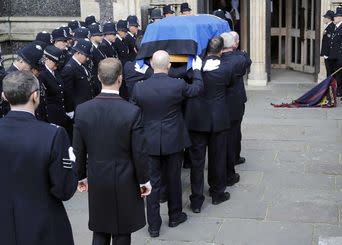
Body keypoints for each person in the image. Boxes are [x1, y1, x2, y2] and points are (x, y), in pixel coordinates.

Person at [73, 58, 151, 245]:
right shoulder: (132, 111)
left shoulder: (83, 110)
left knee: (100, 227)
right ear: (120, 79)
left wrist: (80, 176)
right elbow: (139, 151)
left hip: (97, 175)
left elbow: (78, 148)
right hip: (125, 177)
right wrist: (144, 180)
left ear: (99, 77)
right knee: (122, 230)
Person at [131, 50, 203, 237]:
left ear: (152, 65)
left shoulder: (139, 87)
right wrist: (196, 71)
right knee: (173, 180)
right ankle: (175, 215)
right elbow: (196, 90)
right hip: (173, 139)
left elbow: (133, 112)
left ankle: (153, 226)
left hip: (150, 140)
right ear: (169, 65)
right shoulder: (177, 85)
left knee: (151, 184)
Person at [0, 71, 78, 245]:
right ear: (35, 96)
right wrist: (72, 164)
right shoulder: (53, 134)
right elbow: (64, 189)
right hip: (43, 227)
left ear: (4, 96)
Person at [185, 36, 233, 211]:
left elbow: (188, 79)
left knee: (197, 162)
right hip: (217, 119)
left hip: (197, 120)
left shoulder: (194, 67)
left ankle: (196, 201)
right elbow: (229, 84)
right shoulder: (226, 67)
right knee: (217, 158)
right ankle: (217, 193)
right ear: (221, 50)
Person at [220, 32, 251, 185]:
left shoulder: (213, 60)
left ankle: (234, 157)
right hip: (235, 102)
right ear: (235, 44)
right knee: (234, 132)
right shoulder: (240, 58)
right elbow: (248, 61)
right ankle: (231, 164)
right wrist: (242, 52)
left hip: (219, 103)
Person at [61, 39, 95, 116]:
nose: (88, 59)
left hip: (86, 104)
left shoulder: (82, 65)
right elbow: (68, 92)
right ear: (78, 53)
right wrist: (70, 110)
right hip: (78, 108)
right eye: (86, 55)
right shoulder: (69, 69)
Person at [39, 45, 70, 128]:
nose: (57, 65)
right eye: (55, 62)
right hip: (51, 117)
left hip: (61, 114)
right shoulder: (42, 74)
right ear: (47, 59)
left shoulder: (56, 72)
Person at [328, 6, 342, 97]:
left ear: (341, 18)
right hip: (334, 55)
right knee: (336, 74)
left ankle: (341, 91)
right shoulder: (336, 27)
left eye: (336, 16)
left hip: (340, 56)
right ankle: (337, 89)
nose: (334, 18)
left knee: (341, 75)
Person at [320, 10, 335, 78]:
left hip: (329, 54)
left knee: (330, 72)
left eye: (325, 17)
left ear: (329, 18)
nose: (323, 19)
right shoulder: (329, 26)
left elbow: (330, 42)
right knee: (328, 72)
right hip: (327, 54)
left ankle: (329, 87)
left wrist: (327, 54)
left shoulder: (331, 27)